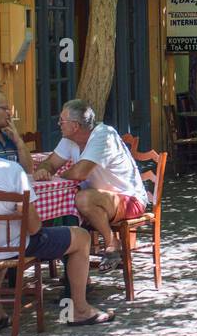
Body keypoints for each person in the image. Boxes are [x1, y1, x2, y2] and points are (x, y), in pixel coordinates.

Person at [0, 110, 111, 328]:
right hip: (11, 247)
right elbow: (35, 226)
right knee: (82, 237)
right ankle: (79, 309)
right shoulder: (11, 171)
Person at [32, 100, 148, 265]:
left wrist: (59, 173)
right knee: (67, 205)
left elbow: (80, 172)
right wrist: (44, 169)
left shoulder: (104, 135)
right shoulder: (68, 139)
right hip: (101, 200)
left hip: (129, 199)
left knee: (81, 199)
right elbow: (50, 162)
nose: (58, 124)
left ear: (75, 125)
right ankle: (74, 270)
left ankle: (111, 243)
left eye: (62, 121)